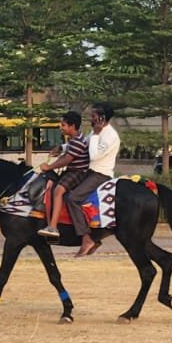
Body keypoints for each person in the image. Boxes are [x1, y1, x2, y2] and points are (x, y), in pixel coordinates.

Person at [64, 104, 120, 257]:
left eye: (93, 116)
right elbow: (82, 145)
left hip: (100, 174)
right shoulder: (96, 133)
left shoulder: (110, 136)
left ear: (101, 118)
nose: (91, 118)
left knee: (73, 198)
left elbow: (94, 155)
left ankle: (86, 238)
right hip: (89, 172)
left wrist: (95, 134)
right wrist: (62, 148)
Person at [37, 111, 88, 239]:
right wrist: (59, 148)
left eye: (63, 125)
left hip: (77, 172)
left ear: (72, 126)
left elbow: (66, 160)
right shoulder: (74, 139)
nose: (61, 127)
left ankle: (53, 227)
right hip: (72, 171)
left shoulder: (77, 142)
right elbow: (66, 152)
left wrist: (49, 167)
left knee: (58, 191)